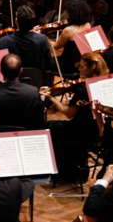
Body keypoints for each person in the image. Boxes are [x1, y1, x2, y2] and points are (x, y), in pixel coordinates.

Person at [44, 51, 107, 184]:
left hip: (81, 131)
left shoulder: (83, 90)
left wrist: (50, 97)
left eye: (82, 66)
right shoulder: (104, 82)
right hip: (98, 129)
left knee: (49, 128)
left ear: (91, 68)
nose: (78, 68)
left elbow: (68, 113)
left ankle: (64, 174)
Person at [0, 54, 46, 131]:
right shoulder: (33, 92)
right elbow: (39, 122)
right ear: (21, 70)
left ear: (1, 71)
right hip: (27, 134)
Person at [0, 4, 54, 73]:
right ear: (32, 23)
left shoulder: (3, 41)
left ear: (16, 21)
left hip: (12, 81)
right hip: (37, 81)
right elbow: (49, 65)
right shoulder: (42, 39)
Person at [52, 0, 92, 75]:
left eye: (67, 11)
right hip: (82, 63)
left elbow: (56, 46)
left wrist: (46, 39)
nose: (66, 13)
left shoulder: (68, 30)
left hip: (67, 65)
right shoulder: (88, 25)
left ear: (72, 13)